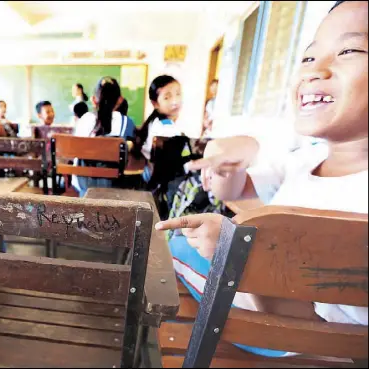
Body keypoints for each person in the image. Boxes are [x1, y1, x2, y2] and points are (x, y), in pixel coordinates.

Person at [155, 0, 368, 357]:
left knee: (170, 249)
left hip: (293, 339)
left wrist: (237, 255)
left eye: (348, 50)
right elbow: (235, 190)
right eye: (309, 57)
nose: (315, 71)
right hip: (274, 305)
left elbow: (324, 329)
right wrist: (231, 167)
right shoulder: (307, 159)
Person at [73, 77, 136, 196]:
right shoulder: (125, 122)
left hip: (83, 187)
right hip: (113, 190)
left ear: (93, 100)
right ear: (120, 100)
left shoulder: (83, 120)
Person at [134, 75, 185, 163]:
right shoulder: (165, 127)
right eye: (167, 97)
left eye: (178, 94)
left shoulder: (155, 122)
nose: (175, 101)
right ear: (155, 103)